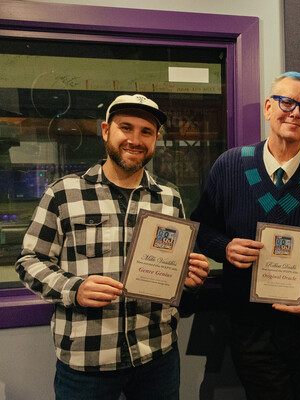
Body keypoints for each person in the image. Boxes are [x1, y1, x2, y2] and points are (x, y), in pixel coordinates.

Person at [15, 94, 210, 400]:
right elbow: (29, 260)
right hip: (87, 359)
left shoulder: (169, 199)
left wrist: (188, 278)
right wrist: (74, 288)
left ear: (156, 139)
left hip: (156, 354)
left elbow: (173, 272)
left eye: (146, 132)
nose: (135, 139)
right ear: (106, 130)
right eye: (126, 128)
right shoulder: (64, 193)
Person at [190, 71, 300, 400]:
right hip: (250, 327)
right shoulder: (230, 166)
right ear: (269, 107)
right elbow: (200, 228)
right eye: (287, 102)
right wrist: (224, 247)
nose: (296, 112)